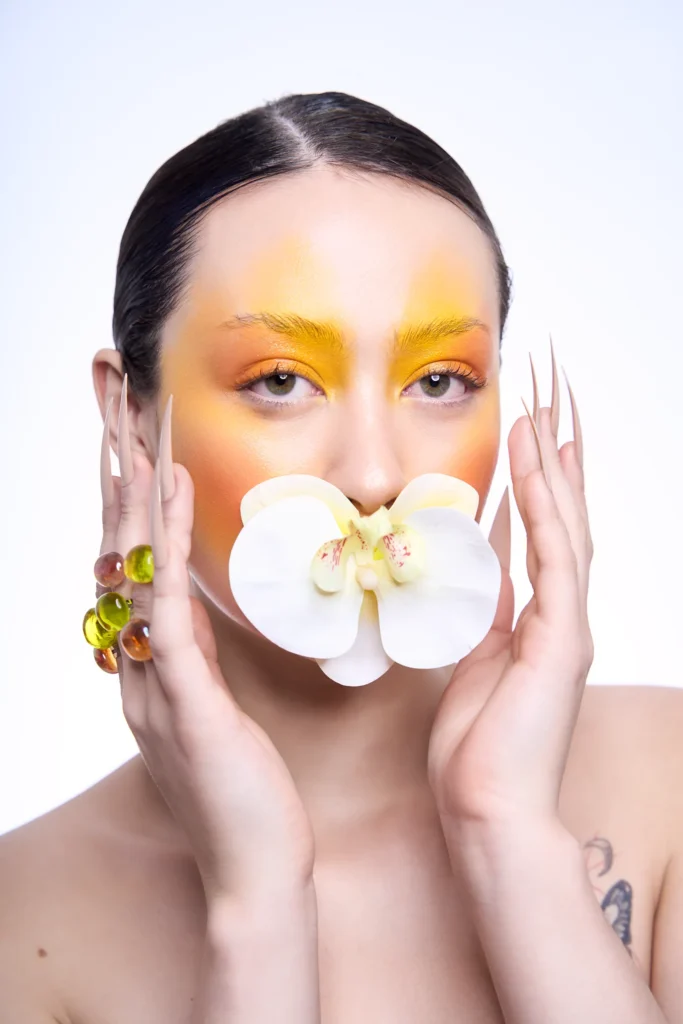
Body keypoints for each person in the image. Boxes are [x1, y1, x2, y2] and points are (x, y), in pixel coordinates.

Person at [0, 90, 681, 1024]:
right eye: (280, 381)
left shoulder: (670, 780)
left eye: (438, 381)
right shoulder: (21, 920)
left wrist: (507, 839)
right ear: (132, 418)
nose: (371, 473)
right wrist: (256, 906)